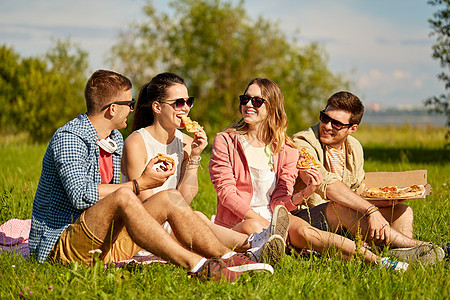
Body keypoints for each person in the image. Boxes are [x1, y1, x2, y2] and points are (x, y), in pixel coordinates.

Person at [28, 69, 274, 282]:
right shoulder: (70, 138)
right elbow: (81, 196)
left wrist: (194, 156)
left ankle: (229, 258)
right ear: (112, 109)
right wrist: (139, 184)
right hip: (63, 246)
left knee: (168, 197)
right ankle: (197, 265)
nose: (133, 109)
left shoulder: (113, 138)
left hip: (105, 242)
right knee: (125, 196)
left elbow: (180, 198)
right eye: (129, 104)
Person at [209, 78, 409, 272]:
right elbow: (226, 193)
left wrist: (306, 192)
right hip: (240, 221)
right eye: (245, 99)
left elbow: (280, 200)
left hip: (275, 217)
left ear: (273, 108)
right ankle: (269, 249)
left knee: (305, 231)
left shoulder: (285, 148)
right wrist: (264, 223)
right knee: (255, 226)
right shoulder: (226, 141)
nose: (249, 105)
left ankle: (381, 262)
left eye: (257, 101)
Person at [121, 72, 287, 265]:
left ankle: (253, 246)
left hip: (176, 220)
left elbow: (185, 198)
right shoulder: (136, 142)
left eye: (188, 102)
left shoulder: (185, 143)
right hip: (145, 227)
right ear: (157, 107)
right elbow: (145, 203)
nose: (185, 109)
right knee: (197, 218)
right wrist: (183, 221)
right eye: (178, 103)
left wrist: (194, 156)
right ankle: (254, 246)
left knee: (243, 224)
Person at [291, 91, 446, 265]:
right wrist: (371, 210)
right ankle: (425, 247)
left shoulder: (354, 147)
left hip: (342, 219)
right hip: (306, 218)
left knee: (403, 211)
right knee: (341, 208)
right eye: (325, 118)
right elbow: (327, 185)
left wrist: (384, 202)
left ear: (352, 128)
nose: (327, 126)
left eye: (336, 124)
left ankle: (402, 254)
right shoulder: (302, 142)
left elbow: (356, 191)